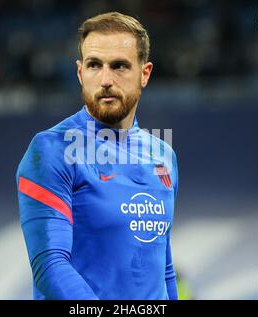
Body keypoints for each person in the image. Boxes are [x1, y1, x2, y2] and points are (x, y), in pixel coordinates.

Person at [16, 12, 179, 300]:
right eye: (94, 65)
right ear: (80, 73)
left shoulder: (163, 155)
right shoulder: (52, 150)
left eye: (119, 66)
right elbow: (50, 266)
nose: (105, 79)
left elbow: (163, 269)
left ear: (145, 73)